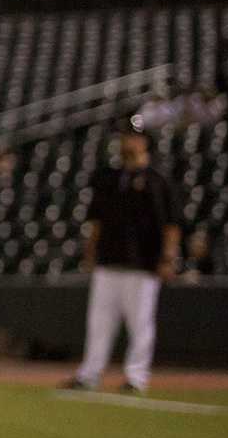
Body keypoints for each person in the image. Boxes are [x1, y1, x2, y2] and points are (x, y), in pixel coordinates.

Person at [64, 120, 180, 395]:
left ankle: (136, 377)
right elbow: (96, 221)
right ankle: (89, 374)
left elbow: (171, 225)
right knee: (99, 322)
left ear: (144, 143)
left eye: (132, 138)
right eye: (125, 137)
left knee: (140, 323)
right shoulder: (108, 178)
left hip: (143, 264)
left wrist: (167, 258)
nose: (126, 142)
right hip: (108, 261)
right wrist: (91, 252)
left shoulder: (157, 181)